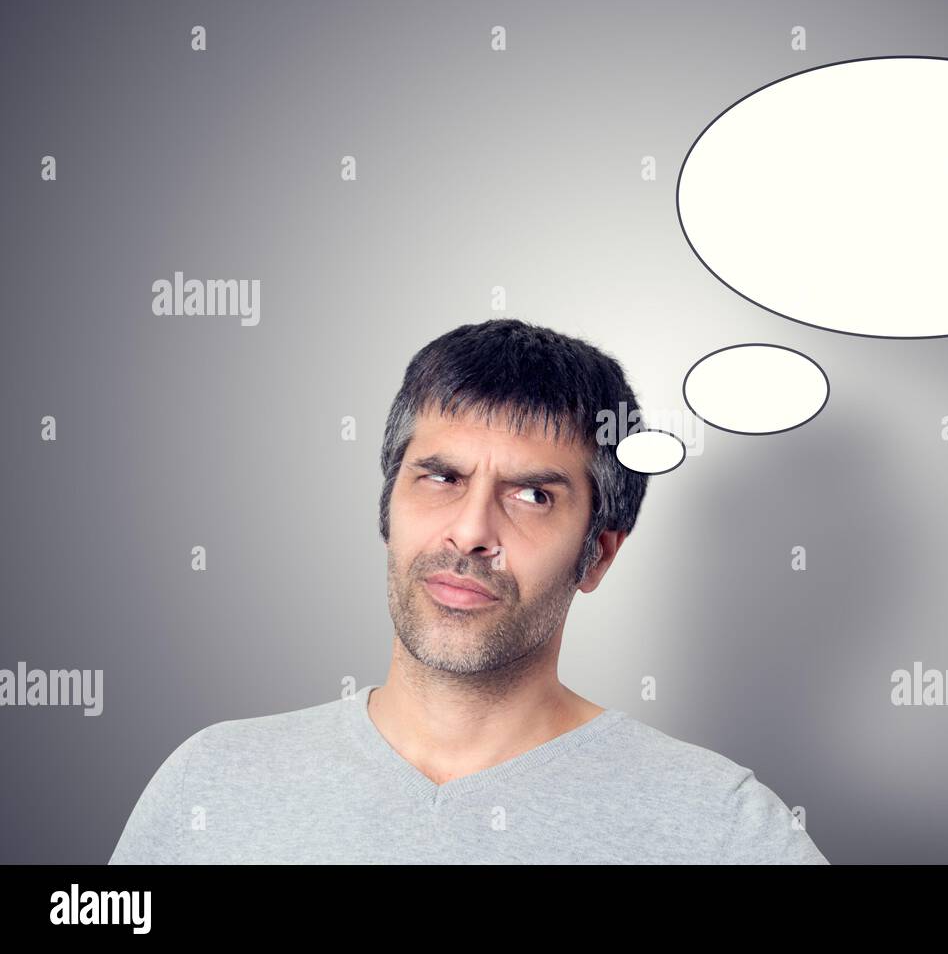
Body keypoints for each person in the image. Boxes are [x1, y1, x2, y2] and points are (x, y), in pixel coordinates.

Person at [108, 318, 829, 864]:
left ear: (598, 554)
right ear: (387, 506)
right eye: (442, 477)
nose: (470, 531)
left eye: (533, 496)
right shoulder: (214, 786)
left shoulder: (720, 829)